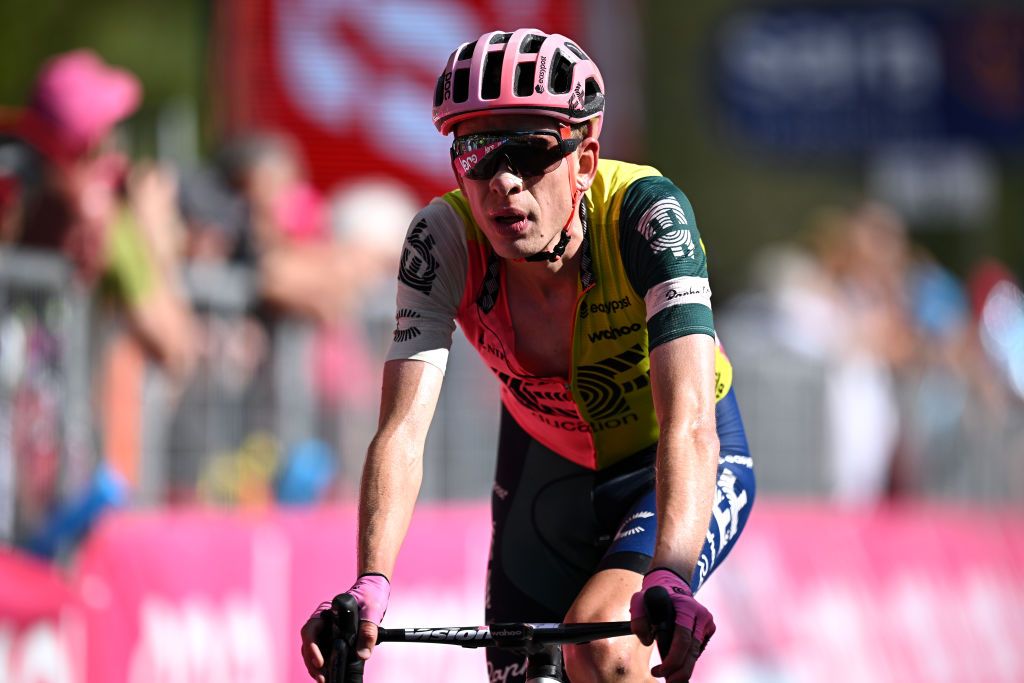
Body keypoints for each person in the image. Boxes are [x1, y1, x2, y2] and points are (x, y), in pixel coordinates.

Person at [300, 29, 755, 682]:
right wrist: (370, 582)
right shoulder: (441, 240)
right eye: (478, 153)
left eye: (532, 152)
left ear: (586, 159)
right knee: (519, 674)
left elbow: (688, 419)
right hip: (548, 461)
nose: (503, 182)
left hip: (669, 458)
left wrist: (671, 573)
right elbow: (401, 430)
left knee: (606, 651)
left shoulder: (649, 217)